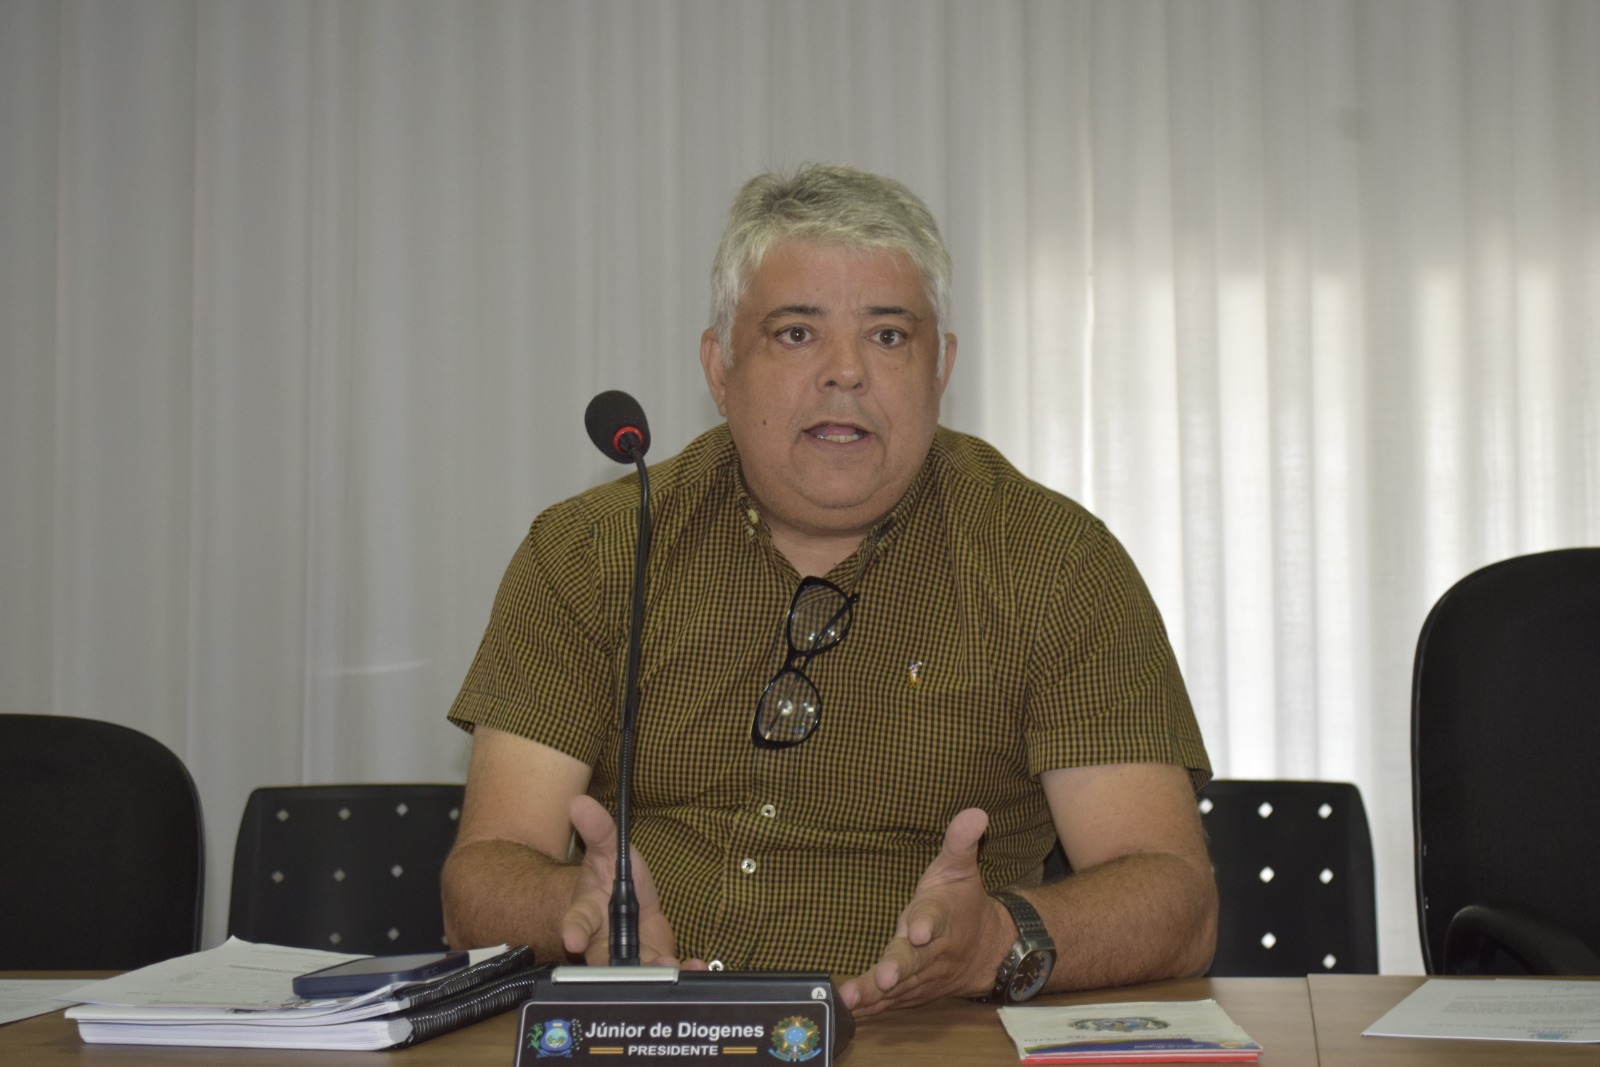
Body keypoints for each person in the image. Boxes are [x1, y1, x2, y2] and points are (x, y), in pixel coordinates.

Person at [441, 164, 1217, 1016]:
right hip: (650, 1034)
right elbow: (481, 877)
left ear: (941, 367)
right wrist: (579, 911)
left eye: (887, 335)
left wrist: (999, 941)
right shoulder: (591, 553)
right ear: (720, 368)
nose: (845, 372)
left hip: (923, 1037)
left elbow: (1173, 897)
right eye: (796, 333)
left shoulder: (1054, 561)